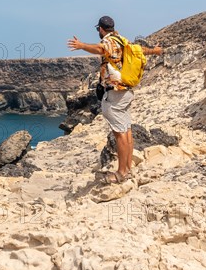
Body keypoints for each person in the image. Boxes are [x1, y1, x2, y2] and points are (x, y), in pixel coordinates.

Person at [67, 15, 163, 183]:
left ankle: (120, 173)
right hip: (126, 92)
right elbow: (140, 50)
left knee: (120, 134)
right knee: (127, 131)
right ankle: (127, 169)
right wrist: (155, 51)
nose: (99, 32)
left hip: (115, 93)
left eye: (98, 29)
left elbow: (100, 49)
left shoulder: (109, 41)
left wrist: (81, 45)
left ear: (101, 29)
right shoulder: (122, 39)